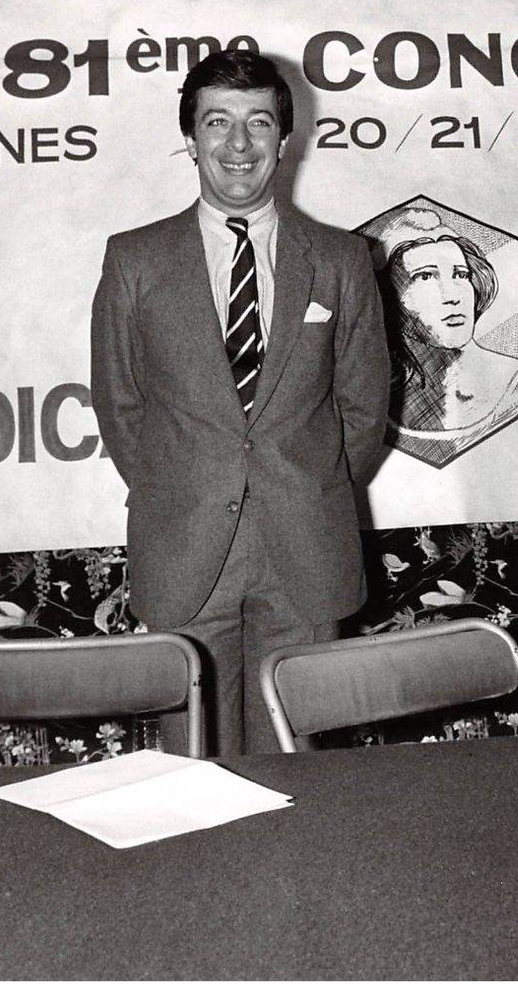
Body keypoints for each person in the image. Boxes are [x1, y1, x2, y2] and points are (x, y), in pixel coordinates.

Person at [90, 50, 390, 756]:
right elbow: (120, 404)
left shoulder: (342, 259)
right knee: (192, 769)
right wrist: (181, 488)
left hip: (305, 551)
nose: (238, 144)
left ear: (286, 140)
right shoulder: (134, 260)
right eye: (216, 122)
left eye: (259, 123)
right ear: (190, 140)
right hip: (186, 549)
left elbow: (365, 407)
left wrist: (312, 488)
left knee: (301, 765)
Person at [373, 208, 518, 468]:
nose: (453, 295)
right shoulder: (370, 397)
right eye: (425, 276)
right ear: (387, 295)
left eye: (461, 274)